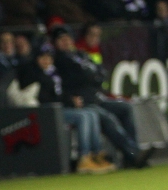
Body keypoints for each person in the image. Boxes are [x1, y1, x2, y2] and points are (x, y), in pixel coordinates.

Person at [51, 25, 154, 168]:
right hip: (83, 102)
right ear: (55, 43)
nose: (66, 42)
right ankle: (133, 154)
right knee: (108, 118)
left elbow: (101, 73)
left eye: (67, 38)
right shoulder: (58, 60)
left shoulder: (80, 55)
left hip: (97, 98)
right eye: (61, 39)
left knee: (125, 107)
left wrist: (90, 75)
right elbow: (83, 77)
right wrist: (90, 75)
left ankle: (130, 154)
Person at [18, 40, 117, 174]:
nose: (46, 60)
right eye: (42, 57)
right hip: (46, 111)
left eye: (49, 57)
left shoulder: (53, 73)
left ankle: (96, 155)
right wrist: (69, 102)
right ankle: (84, 157)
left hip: (59, 108)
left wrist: (71, 100)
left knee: (91, 114)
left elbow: (60, 94)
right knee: (82, 116)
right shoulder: (34, 74)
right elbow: (45, 98)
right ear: (36, 59)